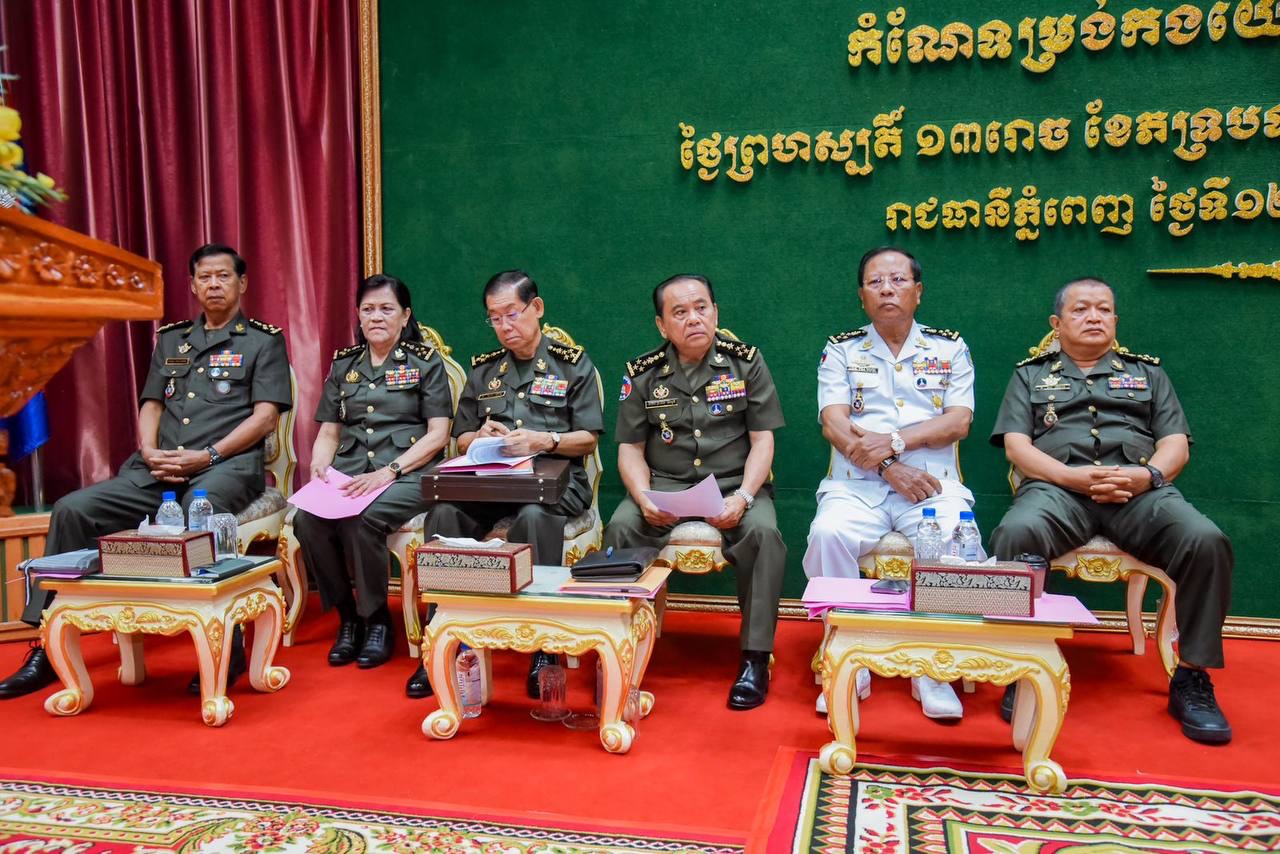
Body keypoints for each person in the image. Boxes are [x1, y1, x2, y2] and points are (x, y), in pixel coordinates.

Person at [0, 243, 292, 699]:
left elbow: (265, 417)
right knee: (74, 509)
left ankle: (228, 642)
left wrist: (208, 456)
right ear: (192, 286)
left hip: (225, 467)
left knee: (200, 511)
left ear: (242, 283)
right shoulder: (172, 339)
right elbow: (152, 404)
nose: (214, 285)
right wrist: (149, 449)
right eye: (205, 277)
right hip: (158, 467)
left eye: (223, 276)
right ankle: (46, 643)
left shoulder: (263, 340)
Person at [989, 276, 1233, 744]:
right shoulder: (1030, 375)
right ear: (1057, 323)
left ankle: (1192, 677)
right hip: (1057, 492)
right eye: (1081, 309)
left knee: (1206, 541)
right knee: (1015, 534)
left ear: (1116, 320)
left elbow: (1176, 444)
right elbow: (1018, 447)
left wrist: (1148, 476)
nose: (1094, 317)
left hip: (1138, 493)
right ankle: (1020, 666)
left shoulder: (1148, 374)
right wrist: (1070, 478)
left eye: (1103, 309)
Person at [802, 246, 977, 720]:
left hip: (931, 485)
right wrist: (888, 468)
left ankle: (935, 668)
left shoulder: (949, 348)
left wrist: (895, 442)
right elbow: (834, 424)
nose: (887, 290)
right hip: (856, 485)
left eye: (898, 280)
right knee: (827, 533)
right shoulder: (841, 349)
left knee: (951, 537)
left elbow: (958, 421)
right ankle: (848, 661)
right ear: (861, 296)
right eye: (875, 282)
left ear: (918, 291)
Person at [603, 274, 786, 711]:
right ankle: (616, 648)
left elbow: (763, 441)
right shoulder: (643, 373)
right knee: (621, 526)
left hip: (734, 485)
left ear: (715, 312)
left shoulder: (746, 363)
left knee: (764, 534)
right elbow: (630, 449)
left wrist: (744, 497)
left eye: (701, 308)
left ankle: (754, 659)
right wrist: (643, 497)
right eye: (680, 312)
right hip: (665, 486)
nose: (694, 319)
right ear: (662, 325)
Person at [419, 270, 603, 699]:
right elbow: (461, 436)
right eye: (495, 318)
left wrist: (545, 439)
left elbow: (589, 438)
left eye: (512, 314)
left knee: (533, 516)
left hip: (555, 485)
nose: (504, 326)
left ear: (536, 308)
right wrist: (477, 437)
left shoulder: (572, 365)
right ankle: (446, 637)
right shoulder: (484, 370)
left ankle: (543, 646)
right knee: (443, 513)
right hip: (493, 485)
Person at [292, 274, 452, 676]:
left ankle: (378, 620)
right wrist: (320, 466)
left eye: (386, 309)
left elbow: (438, 434)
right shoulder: (344, 364)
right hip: (352, 473)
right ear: (358, 315)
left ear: (405, 315)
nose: (376, 317)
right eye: (368, 309)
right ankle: (348, 617)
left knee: (364, 519)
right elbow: (329, 431)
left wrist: (389, 471)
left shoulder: (425, 362)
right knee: (306, 520)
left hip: (410, 473)